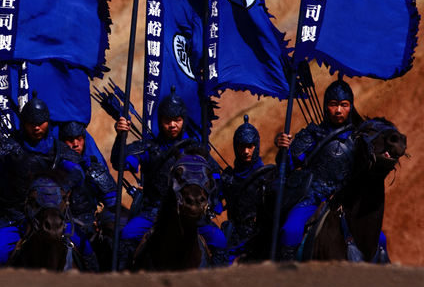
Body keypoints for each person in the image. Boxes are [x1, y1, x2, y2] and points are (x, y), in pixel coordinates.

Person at [0, 94, 95, 268]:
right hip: (14, 217)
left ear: (48, 122)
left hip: (53, 217)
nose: (36, 127)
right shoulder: (8, 149)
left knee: (86, 249)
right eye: (32, 123)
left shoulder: (59, 150)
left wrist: (61, 186)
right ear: (23, 123)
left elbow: (77, 173)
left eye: (41, 122)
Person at [111, 88, 227, 268]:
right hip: (154, 212)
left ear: (184, 121)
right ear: (160, 121)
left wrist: (211, 201)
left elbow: (216, 177)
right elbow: (121, 163)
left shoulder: (196, 149)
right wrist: (120, 137)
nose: (172, 125)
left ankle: (219, 286)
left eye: (177, 120)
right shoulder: (149, 147)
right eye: (168, 120)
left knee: (219, 241)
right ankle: (124, 283)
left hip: (192, 212)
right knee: (127, 234)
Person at [273, 79, 366, 260]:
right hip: (313, 197)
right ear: (325, 106)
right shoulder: (313, 134)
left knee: (379, 240)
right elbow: (290, 165)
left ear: (351, 107)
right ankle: (286, 279)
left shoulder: (360, 138)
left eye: (344, 105)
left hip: (347, 201)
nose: (338, 110)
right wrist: (284, 150)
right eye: (333, 104)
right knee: (290, 231)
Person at [57, 120, 117, 244]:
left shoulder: (93, 169)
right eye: (70, 140)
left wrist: (104, 222)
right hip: (59, 227)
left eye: (79, 139)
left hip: (90, 226)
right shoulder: (54, 171)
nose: (75, 144)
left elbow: (113, 203)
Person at [221, 115, 276, 251]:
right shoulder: (228, 178)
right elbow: (213, 200)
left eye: (250, 146)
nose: (246, 151)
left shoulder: (268, 175)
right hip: (234, 236)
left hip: (261, 235)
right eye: (242, 146)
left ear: (256, 146)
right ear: (235, 147)